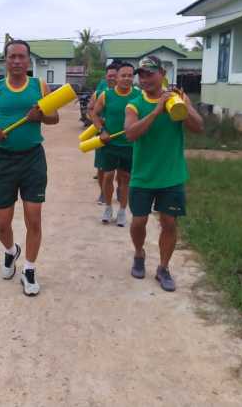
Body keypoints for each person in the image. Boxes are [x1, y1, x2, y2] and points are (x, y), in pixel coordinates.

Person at [0, 39, 59, 296]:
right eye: (13, 57)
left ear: (28, 60)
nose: (17, 61)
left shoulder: (39, 86)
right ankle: (11, 251)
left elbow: (54, 118)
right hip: (4, 160)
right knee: (2, 223)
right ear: (6, 60)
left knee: (34, 218)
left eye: (22, 57)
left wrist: (40, 115)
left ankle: (30, 270)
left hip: (33, 158)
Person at [124, 55, 204, 292]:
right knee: (139, 222)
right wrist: (157, 111)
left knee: (169, 223)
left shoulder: (177, 99)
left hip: (171, 175)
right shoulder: (135, 104)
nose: (145, 79)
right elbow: (130, 134)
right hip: (143, 176)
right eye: (142, 75)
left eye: (150, 74)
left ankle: (163, 268)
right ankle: (139, 254)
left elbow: (199, 127)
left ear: (162, 74)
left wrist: (183, 106)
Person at [91, 62, 140, 227]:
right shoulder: (106, 95)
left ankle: (122, 211)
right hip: (109, 143)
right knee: (107, 176)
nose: (127, 79)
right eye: (123, 75)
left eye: (130, 76)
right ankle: (108, 207)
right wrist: (101, 130)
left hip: (129, 145)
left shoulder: (139, 95)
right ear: (116, 78)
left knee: (125, 178)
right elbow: (94, 114)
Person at [87, 63, 119, 204]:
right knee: (102, 168)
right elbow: (90, 111)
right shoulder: (100, 93)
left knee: (123, 169)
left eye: (114, 75)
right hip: (103, 136)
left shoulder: (130, 93)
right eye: (109, 75)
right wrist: (100, 124)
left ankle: (120, 189)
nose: (111, 78)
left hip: (122, 137)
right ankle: (103, 192)